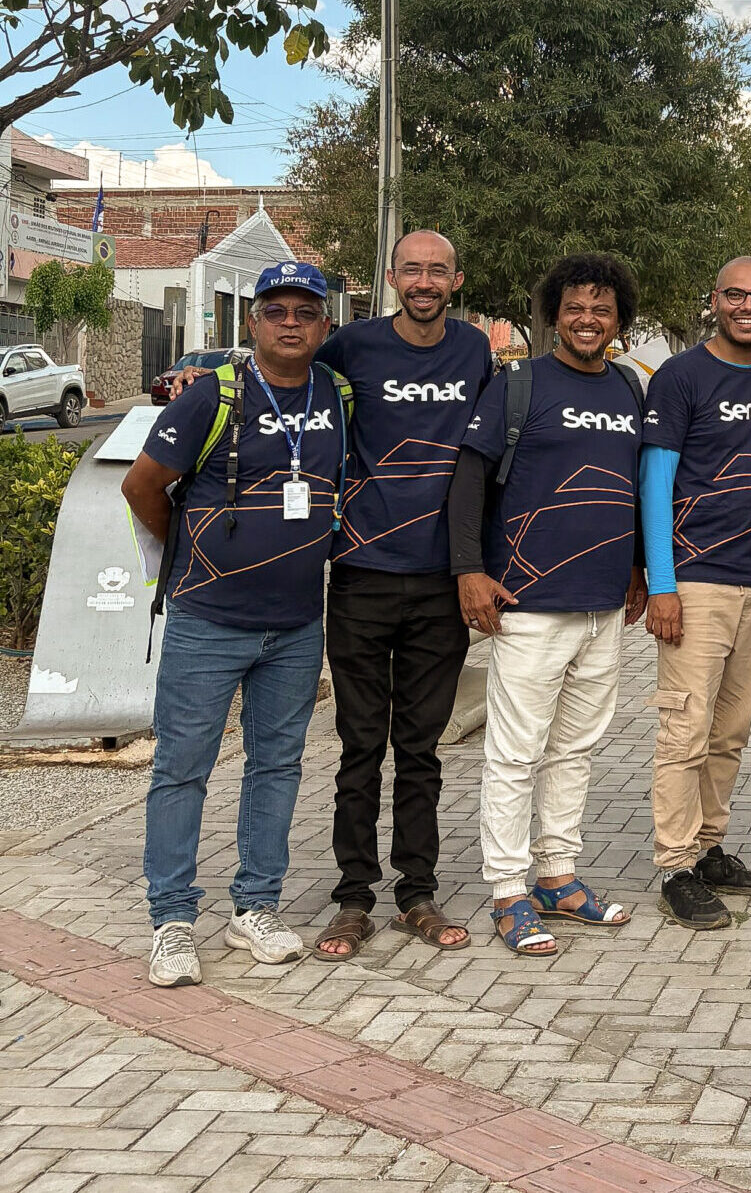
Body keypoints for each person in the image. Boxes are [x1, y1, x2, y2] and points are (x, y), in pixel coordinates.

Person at [124, 262, 349, 986]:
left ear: (322, 325)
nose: (290, 321)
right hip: (207, 619)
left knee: (277, 767)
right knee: (181, 769)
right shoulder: (211, 395)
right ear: (251, 322)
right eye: (275, 309)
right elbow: (142, 486)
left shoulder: (339, 395)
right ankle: (172, 921)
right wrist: (190, 553)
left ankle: (255, 906)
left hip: (294, 624)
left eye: (304, 311)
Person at [451, 253, 647, 956]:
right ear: (553, 314)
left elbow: (634, 486)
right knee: (514, 754)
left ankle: (558, 877)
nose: (587, 318)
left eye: (601, 307)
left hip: (602, 607)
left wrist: (639, 567)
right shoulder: (519, 385)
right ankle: (508, 890)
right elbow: (468, 480)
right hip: (528, 604)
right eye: (575, 307)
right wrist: (469, 570)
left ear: (618, 318)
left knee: (575, 749)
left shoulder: (630, 388)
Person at [307, 230, 494, 962]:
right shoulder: (351, 345)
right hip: (360, 574)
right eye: (411, 269)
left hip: (440, 581)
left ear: (455, 279)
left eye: (437, 270)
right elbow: (281, 377)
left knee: (420, 750)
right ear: (391, 276)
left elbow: (486, 459)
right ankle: (353, 898)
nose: (423, 280)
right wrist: (205, 382)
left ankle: (416, 891)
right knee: (360, 747)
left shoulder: (475, 351)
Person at [642, 257, 751, 929]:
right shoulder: (680, 376)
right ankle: (674, 864)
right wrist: (661, 584)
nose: (747, 306)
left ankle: (708, 848)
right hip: (695, 582)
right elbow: (654, 482)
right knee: (686, 729)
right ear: (714, 301)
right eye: (735, 294)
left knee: (729, 732)